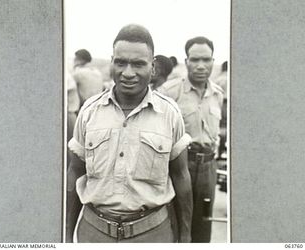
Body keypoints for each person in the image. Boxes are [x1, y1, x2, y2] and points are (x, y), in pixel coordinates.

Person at [66, 24, 193, 243]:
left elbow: (181, 177)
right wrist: (66, 235)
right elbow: (75, 173)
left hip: (153, 234)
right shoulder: (88, 111)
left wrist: (185, 236)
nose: (128, 73)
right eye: (120, 62)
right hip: (94, 234)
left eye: (138, 64)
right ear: (112, 62)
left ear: (152, 68)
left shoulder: (170, 114)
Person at [158, 36, 224, 242]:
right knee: (176, 223)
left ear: (213, 61)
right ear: (186, 61)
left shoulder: (218, 94)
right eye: (195, 60)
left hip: (208, 168)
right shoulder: (169, 92)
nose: (201, 66)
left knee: (203, 224)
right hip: (179, 166)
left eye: (206, 60)